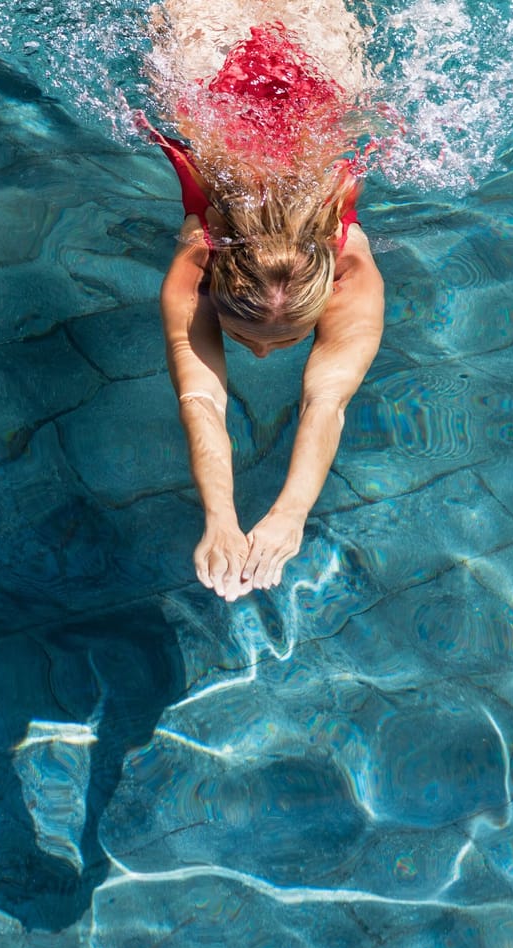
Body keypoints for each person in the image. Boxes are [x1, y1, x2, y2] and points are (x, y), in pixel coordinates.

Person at [142, 2, 386, 601]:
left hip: (215, 70)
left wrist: (289, 514)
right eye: (247, 338)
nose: (254, 357)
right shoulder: (196, 264)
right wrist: (219, 517)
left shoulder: (352, 271)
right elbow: (200, 400)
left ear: (330, 291)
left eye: (276, 340)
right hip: (302, 72)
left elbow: (324, 403)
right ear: (213, 283)